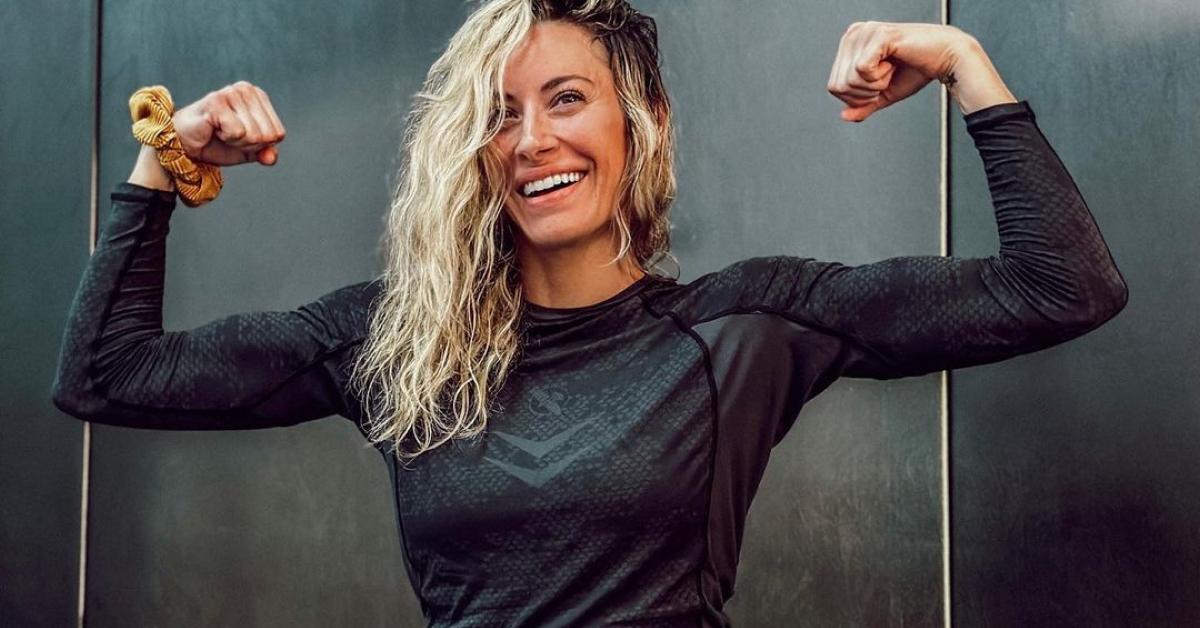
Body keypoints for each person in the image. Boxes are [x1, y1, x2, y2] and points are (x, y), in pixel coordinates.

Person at [51, 0, 1128, 625]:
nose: (533, 141)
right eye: (499, 114)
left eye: (567, 98)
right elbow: (105, 375)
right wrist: (163, 163)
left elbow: (1062, 285)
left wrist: (966, 65)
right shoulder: (401, 342)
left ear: (640, 119)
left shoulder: (743, 327)